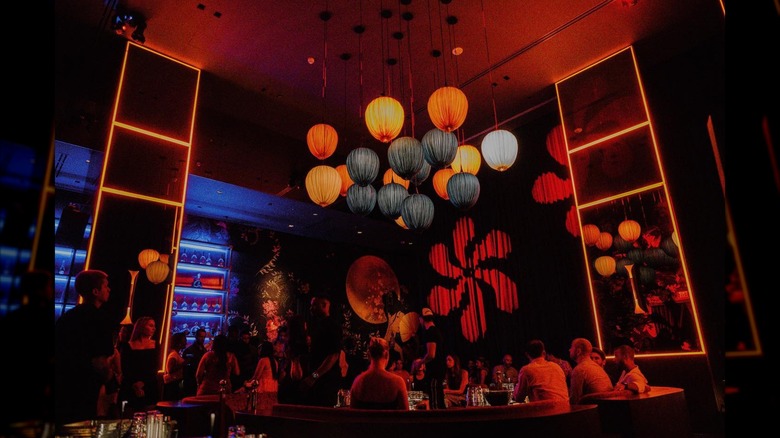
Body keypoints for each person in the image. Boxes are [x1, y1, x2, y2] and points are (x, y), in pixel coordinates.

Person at [54, 269, 115, 427]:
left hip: (63, 387)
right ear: (96, 291)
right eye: (106, 286)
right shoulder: (100, 318)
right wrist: (111, 383)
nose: (109, 289)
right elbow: (101, 360)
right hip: (86, 389)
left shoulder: (66, 317)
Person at [300, 293, 343, 406]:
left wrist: (314, 376)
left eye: (314, 305)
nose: (311, 308)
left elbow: (333, 356)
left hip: (326, 381)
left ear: (324, 305)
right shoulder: (317, 325)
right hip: (317, 380)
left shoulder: (332, 326)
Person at [349, 337, 409, 410]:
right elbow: (406, 416)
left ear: (369, 355)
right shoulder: (398, 382)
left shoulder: (358, 381)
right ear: (386, 354)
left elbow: (352, 415)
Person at [119, 316, 162, 413]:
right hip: (131, 385)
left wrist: (142, 383)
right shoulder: (127, 346)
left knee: (149, 415)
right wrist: (135, 384)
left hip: (149, 384)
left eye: (154, 326)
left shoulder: (155, 344)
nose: (154, 328)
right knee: (129, 416)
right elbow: (125, 368)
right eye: (150, 325)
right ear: (141, 327)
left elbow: (155, 366)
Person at [568, 338, 613, 404]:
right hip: (605, 408)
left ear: (578, 351)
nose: (569, 350)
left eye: (571, 347)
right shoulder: (597, 367)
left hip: (593, 411)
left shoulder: (579, 369)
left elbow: (574, 401)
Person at [418, 307, 445, 409]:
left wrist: (420, 362)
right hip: (439, 369)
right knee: (439, 395)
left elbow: (431, 354)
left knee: (435, 401)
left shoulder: (430, 332)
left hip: (435, 370)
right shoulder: (436, 330)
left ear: (421, 319)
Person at [247, 340, 280, 409]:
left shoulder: (263, 360)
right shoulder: (275, 361)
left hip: (263, 387)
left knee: (261, 407)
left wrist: (247, 383)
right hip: (273, 387)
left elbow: (256, 376)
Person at [182, 328, 208, 397]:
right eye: (201, 336)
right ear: (196, 336)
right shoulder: (189, 350)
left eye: (204, 337)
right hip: (191, 381)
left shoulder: (204, 350)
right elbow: (186, 366)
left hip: (201, 380)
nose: (202, 339)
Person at [163, 332, 188, 401]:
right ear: (179, 342)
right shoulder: (173, 355)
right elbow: (170, 370)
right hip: (172, 384)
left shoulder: (176, 353)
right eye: (184, 340)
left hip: (174, 383)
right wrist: (183, 363)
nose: (186, 341)